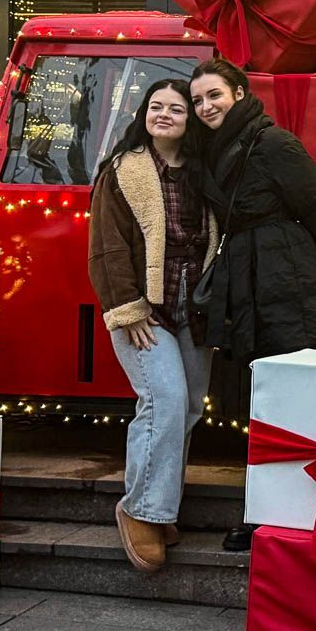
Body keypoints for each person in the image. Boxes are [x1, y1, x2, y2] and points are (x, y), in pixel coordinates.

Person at [189, 58, 316, 550]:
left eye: (214, 94)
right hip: (248, 282)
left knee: (293, 401)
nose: (205, 106)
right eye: (198, 100)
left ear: (239, 92)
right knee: (263, 401)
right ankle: (268, 512)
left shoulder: (273, 142)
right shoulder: (212, 147)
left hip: (288, 279)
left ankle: (291, 516)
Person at [88, 79, 219, 573]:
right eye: (156, 106)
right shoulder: (122, 171)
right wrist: (127, 308)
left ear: (190, 120)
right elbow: (107, 247)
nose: (164, 114)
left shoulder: (204, 172)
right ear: (144, 113)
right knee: (163, 399)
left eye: (176, 109)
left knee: (187, 408)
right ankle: (140, 510)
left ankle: (160, 505)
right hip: (146, 310)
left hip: (194, 308)